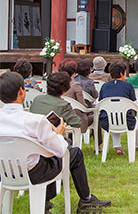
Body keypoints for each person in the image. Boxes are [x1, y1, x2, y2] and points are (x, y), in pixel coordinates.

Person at [0, 72, 111, 212]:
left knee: (47, 157)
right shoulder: (35, 121)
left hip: (4, 171)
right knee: (74, 153)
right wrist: (58, 134)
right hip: (34, 173)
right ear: (21, 91)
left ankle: (45, 201)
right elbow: (60, 150)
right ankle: (86, 200)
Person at [98, 61, 138, 155]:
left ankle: (117, 146)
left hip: (106, 121)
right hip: (126, 121)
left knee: (114, 115)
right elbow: (134, 103)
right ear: (122, 73)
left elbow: (100, 102)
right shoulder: (128, 86)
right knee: (134, 120)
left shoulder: (104, 86)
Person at [59, 60, 93, 134]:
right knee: (95, 116)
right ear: (74, 72)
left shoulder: (56, 83)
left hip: (60, 116)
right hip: (75, 117)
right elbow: (82, 105)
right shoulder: (75, 85)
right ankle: (98, 143)